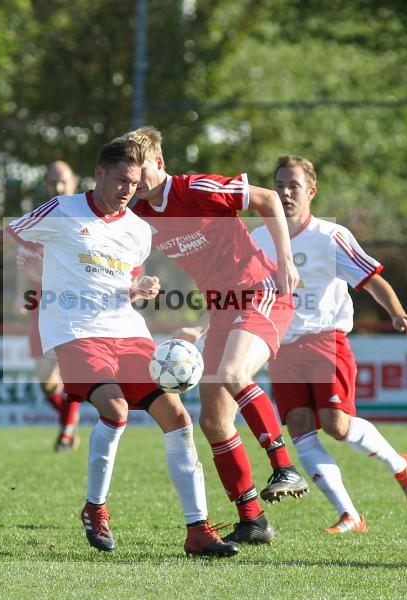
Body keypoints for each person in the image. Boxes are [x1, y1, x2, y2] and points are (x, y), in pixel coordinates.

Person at [0, 139, 237, 558]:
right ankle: (95, 509)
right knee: (114, 410)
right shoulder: (62, 211)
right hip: (74, 330)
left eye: (134, 184)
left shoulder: (137, 229)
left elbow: (127, 282)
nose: (127, 190)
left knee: (177, 419)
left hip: (127, 330)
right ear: (99, 173)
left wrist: (141, 287)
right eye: (120, 180)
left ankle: (198, 531)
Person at [121, 127, 308, 545]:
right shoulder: (142, 217)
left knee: (234, 373)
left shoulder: (197, 188)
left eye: (143, 170)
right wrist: (140, 284)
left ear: (160, 163)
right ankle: (253, 520)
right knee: (214, 420)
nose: (137, 182)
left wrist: (285, 260)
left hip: (260, 291)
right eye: (130, 175)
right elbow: (128, 259)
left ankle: (284, 466)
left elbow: (267, 198)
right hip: (221, 309)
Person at [250, 155, 407, 533]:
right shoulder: (258, 237)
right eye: (279, 184)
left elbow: (372, 278)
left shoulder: (330, 236)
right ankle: (350, 515)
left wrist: (396, 313)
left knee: (336, 424)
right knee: (298, 425)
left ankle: (401, 465)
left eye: (293, 185)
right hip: (280, 347)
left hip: (325, 341)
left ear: (311, 192)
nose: (284, 192)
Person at [15, 161, 81, 451]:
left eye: (63, 181)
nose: (58, 187)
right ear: (45, 184)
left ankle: (66, 433)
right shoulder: (37, 221)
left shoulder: (84, 218)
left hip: (75, 308)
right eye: (52, 182)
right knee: (46, 380)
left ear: (74, 182)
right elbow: (23, 263)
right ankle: (70, 422)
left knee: (71, 374)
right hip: (42, 309)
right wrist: (21, 294)